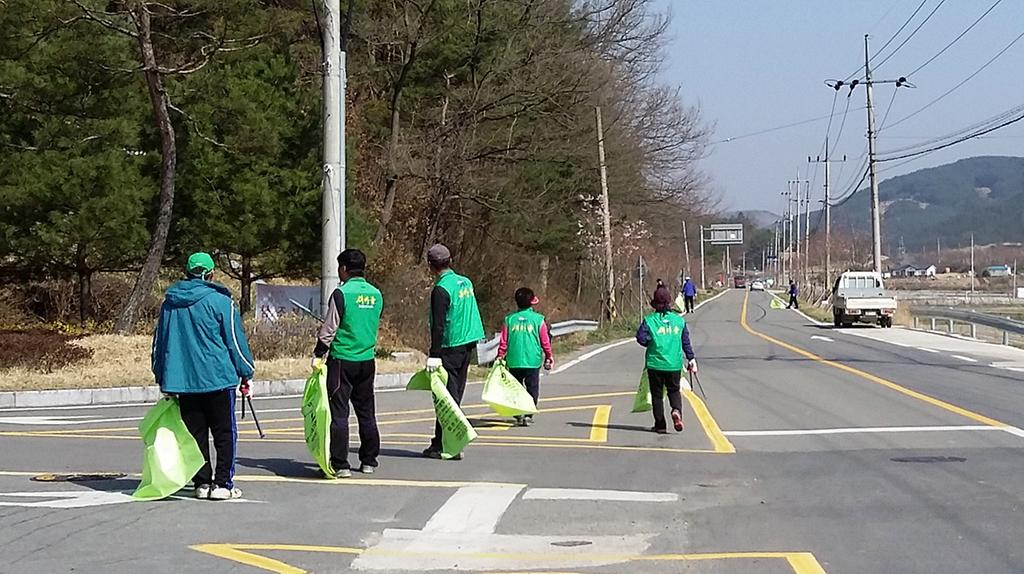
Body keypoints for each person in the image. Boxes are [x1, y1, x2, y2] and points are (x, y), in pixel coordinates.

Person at [152, 252, 255, 500]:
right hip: (218, 377)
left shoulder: (170, 303)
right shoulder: (221, 302)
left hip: (184, 381)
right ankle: (222, 484)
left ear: (187, 272)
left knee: (195, 434)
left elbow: (160, 342)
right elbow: (235, 341)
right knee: (224, 433)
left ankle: (201, 483)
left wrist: (161, 376)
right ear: (211, 274)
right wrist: (246, 370)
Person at [313, 249, 383, 479]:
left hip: (342, 360)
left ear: (343, 269)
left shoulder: (341, 294)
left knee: (340, 415)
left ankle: (341, 463)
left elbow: (330, 328)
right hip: (367, 360)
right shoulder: (376, 294)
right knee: (366, 412)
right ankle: (369, 460)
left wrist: (319, 352)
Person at [423, 244, 486, 459]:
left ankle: (446, 443)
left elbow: (438, 325)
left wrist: (434, 353)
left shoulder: (441, 290)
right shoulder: (464, 282)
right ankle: (443, 441)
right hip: (467, 343)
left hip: (451, 346)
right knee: (455, 394)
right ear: (450, 260)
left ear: (430, 265)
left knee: (445, 397)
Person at [635, 285, 697, 434]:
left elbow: (640, 337)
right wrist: (691, 359)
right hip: (674, 364)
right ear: (669, 302)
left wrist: (651, 342)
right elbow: (685, 342)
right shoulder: (678, 321)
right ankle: (676, 411)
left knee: (657, 395)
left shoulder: (649, 321)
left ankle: (660, 425)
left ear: (655, 304)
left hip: (655, 364)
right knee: (674, 391)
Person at [497, 287, 554, 426]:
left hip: (513, 360)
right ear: (532, 302)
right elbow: (544, 341)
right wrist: (549, 355)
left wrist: (500, 356)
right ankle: (529, 412)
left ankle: (518, 412)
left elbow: (503, 341)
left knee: (515, 387)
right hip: (532, 360)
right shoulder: (538, 320)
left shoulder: (509, 320)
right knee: (532, 387)